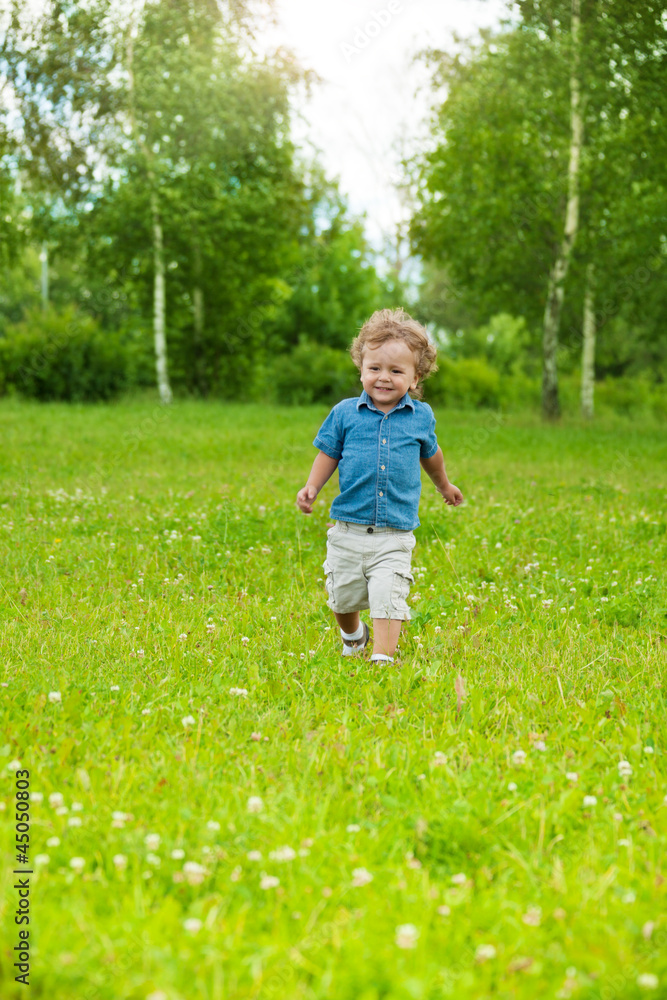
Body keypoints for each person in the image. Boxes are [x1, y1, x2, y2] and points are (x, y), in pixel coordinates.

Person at [296, 308, 463, 664]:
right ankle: (354, 636)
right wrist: (312, 487)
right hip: (348, 527)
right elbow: (328, 453)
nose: (383, 378)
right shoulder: (344, 413)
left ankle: (382, 658)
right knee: (341, 596)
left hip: (395, 532)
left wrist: (444, 485)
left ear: (415, 378)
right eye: (374, 369)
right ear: (361, 369)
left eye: (396, 371)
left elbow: (431, 456)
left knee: (389, 595)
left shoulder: (421, 417)